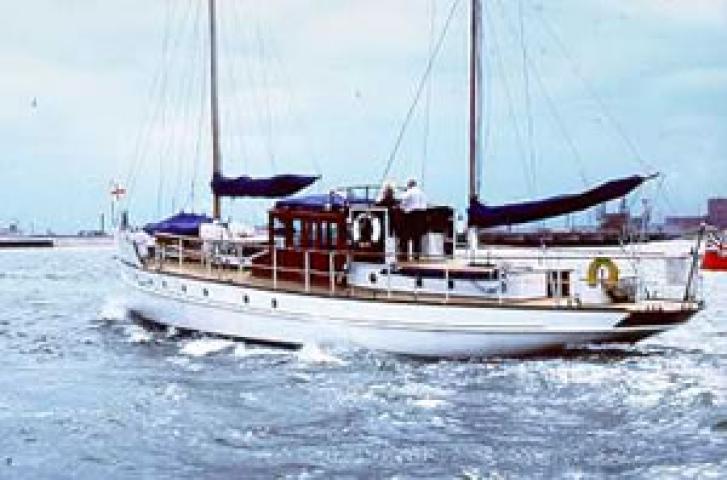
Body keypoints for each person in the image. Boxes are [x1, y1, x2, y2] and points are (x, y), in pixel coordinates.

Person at [399, 178, 428, 260]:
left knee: (405, 237)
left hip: (411, 216)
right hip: (421, 217)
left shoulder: (409, 192)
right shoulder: (422, 193)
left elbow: (403, 204)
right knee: (417, 238)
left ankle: (404, 256)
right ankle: (417, 256)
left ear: (409, 185)